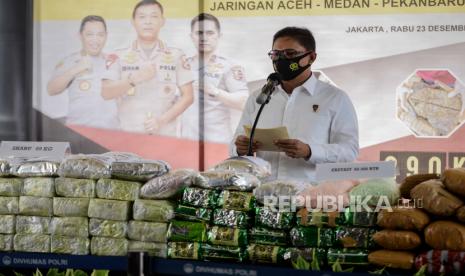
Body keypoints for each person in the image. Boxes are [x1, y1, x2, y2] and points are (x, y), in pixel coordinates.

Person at [231, 27, 359, 181]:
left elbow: (349, 151)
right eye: (276, 54)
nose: (281, 60)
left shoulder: (335, 98)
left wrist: (310, 151)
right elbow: (234, 144)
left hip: (311, 197)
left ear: (311, 57)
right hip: (264, 194)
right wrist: (239, 148)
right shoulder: (258, 97)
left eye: (290, 54)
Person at [102, 0, 193, 136]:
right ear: (133, 21)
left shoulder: (176, 55)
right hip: (129, 137)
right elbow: (106, 92)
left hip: (165, 137)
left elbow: (188, 96)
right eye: (142, 17)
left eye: (154, 16)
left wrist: (161, 121)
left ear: (163, 21)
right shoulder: (117, 56)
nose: (148, 21)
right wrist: (133, 80)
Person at [181, 13, 249, 143]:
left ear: (219, 36)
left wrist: (214, 91)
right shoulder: (183, 65)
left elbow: (244, 102)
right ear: (191, 36)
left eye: (210, 33)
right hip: (186, 141)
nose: (204, 38)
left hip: (216, 142)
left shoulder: (230, 66)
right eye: (199, 33)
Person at [47, 15, 119, 129]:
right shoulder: (70, 61)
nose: (95, 39)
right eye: (90, 34)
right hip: (80, 134)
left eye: (100, 34)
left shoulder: (115, 62)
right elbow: (51, 90)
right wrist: (76, 69)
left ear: (106, 36)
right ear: (80, 36)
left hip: (111, 132)